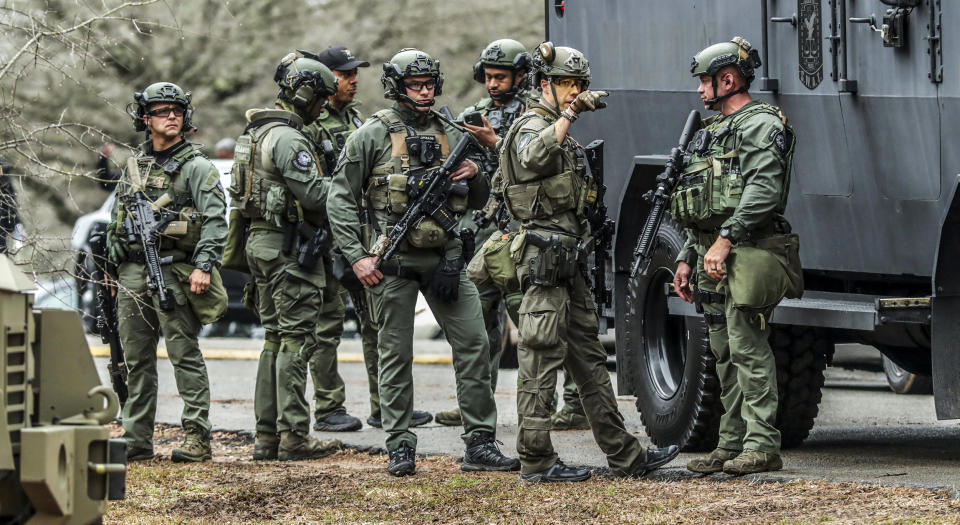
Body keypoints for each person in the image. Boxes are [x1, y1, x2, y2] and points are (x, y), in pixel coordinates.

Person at [327, 48, 520, 477]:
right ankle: (399, 444)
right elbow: (339, 197)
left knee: (475, 345)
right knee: (395, 356)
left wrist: (475, 174)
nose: (424, 91)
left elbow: (483, 199)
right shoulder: (372, 135)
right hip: (390, 263)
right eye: (415, 85)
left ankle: (480, 442)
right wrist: (357, 257)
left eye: (429, 84)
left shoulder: (453, 130)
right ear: (397, 87)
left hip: (446, 260)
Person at [497, 42, 679, 482]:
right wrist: (571, 113)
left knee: (591, 361)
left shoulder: (561, 129)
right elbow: (532, 158)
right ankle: (536, 461)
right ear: (545, 85)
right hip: (543, 263)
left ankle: (625, 456)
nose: (574, 91)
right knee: (540, 356)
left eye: (579, 85)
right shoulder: (531, 125)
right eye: (565, 84)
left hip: (569, 263)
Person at [435, 38, 588, 431]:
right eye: (487, 77)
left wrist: (493, 146)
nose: (493, 84)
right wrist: (469, 172)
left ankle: (566, 402)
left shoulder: (537, 115)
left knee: (543, 324)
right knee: (478, 321)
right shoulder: (472, 116)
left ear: (522, 76)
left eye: (500, 77)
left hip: (529, 231)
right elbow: (463, 178)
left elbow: (533, 163)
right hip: (490, 232)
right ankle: (475, 401)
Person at [677, 37, 800, 476]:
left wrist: (725, 241)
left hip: (749, 251)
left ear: (728, 79)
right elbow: (703, 201)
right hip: (713, 253)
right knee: (723, 351)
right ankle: (730, 444)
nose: (699, 90)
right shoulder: (711, 133)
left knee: (748, 348)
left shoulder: (761, 124)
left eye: (705, 81)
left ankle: (763, 444)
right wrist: (688, 256)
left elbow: (762, 191)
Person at [303, 45, 431, 431]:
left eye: (354, 73)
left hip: (365, 238)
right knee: (326, 326)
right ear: (325, 79)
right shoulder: (311, 124)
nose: (353, 80)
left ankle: (384, 406)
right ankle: (328, 408)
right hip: (325, 238)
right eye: (344, 74)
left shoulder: (358, 119)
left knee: (375, 323)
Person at [229, 53, 345, 461]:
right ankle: (294, 435)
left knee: (274, 340)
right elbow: (314, 195)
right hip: (287, 248)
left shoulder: (254, 134)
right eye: (321, 99)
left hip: (260, 244)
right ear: (306, 95)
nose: (323, 108)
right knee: (296, 341)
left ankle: (267, 436)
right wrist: (346, 184)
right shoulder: (289, 138)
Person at [106, 82, 228, 462]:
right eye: (161, 111)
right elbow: (116, 221)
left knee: (184, 354)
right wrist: (111, 270)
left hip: (175, 271)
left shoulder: (197, 168)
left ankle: (196, 437)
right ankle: (136, 439)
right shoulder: (134, 168)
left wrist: (204, 265)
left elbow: (215, 222)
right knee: (135, 358)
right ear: (146, 119)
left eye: (176, 110)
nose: (171, 116)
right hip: (131, 274)